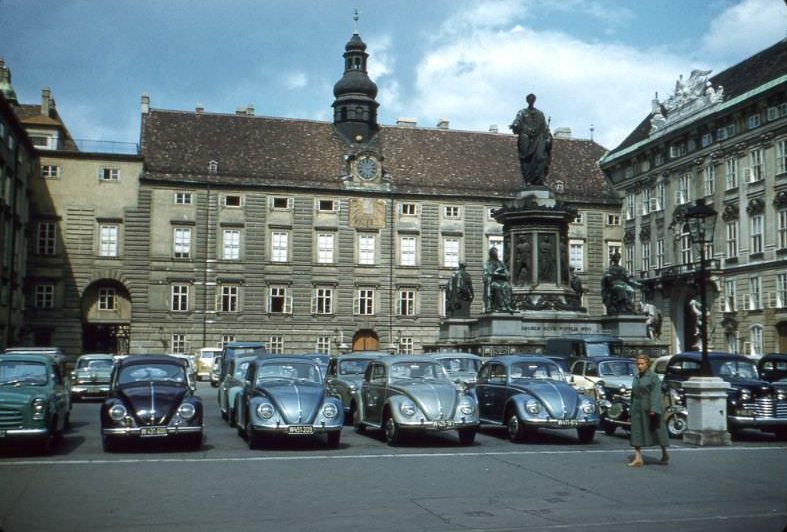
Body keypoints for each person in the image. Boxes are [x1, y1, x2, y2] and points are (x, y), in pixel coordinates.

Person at [628, 354, 669, 467]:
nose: (640, 366)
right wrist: (631, 409)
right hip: (637, 408)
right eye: (638, 364)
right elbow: (633, 394)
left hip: (650, 407)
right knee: (636, 432)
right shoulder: (636, 376)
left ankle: (664, 453)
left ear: (647, 364)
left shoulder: (653, 377)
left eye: (642, 364)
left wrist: (654, 408)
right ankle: (638, 457)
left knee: (657, 431)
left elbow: (656, 393)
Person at [510, 93, 552, 186]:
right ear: (527, 101)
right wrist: (515, 125)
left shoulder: (540, 114)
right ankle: (528, 180)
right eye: (529, 99)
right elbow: (517, 121)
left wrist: (548, 137)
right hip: (525, 138)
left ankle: (539, 179)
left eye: (532, 99)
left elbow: (545, 128)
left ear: (534, 100)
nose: (531, 101)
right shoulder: (522, 112)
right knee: (526, 160)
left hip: (538, 139)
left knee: (541, 157)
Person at [483, 247, 512, 312]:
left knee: (508, 286)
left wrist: (506, 274)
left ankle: (508, 305)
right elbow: (486, 273)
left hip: (502, 280)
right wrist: (494, 273)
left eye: (496, 252)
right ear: (491, 254)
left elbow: (507, 272)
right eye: (494, 253)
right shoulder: (487, 263)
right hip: (493, 281)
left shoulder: (501, 263)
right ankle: (501, 306)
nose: (496, 254)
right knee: (498, 287)